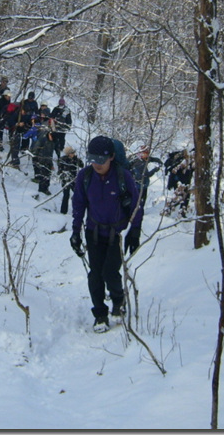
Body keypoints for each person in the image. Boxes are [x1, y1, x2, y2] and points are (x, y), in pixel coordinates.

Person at [70, 135, 143, 332]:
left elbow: (136, 204)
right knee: (95, 275)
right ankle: (100, 314)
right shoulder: (85, 176)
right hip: (93, 232)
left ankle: (118, 302)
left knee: (110, 272)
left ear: (111, 157)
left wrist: (135, 231)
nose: (96, 164)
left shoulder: (123, 177)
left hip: (116, 235)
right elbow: (78, 204)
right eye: (92, 159)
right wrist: (76, 232)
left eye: (101, 159)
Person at [165, 148, 193, 215]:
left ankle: (171, 209)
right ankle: (182, 212)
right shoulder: (184, 160)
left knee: (178, 195)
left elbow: (167, 166)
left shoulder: (174, 158)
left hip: (176, 180)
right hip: (182, 180)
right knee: (185, 196)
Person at [30, 122, 55, 195]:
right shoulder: (42, 139)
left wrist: (51, 163)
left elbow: (51, 154)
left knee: (47, 176)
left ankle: (46, 188)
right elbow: (36, 149)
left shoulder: (52, 143)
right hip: (41, 159)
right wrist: (36, 157)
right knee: (42, 175)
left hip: (48, 160)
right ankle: (41, 189)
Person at [58, 145, 83, 215]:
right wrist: (62, 176)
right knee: (66, 195)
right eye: (71, 153)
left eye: (73, 153)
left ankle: (76, 210)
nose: (73, 154)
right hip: (65, 179)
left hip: (73, 179)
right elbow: (59, 170)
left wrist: (77, 159)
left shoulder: (75, 159)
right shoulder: (63, 159)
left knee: (77, 194)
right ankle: (63, 211)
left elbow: (82, 165)